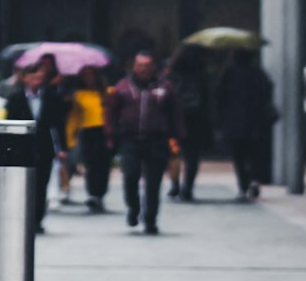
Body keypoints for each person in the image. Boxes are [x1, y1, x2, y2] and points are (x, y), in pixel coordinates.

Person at [106, 50, 183, 234]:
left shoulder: (165, 87)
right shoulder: (122, 87)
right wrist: (111, 135)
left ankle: (150, 219)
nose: (143, 69)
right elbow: (111, 113)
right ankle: (133, 208)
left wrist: (177, 136)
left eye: (147, 66)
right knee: (130, 177)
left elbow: (176, 113)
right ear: (134, 66)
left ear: (153, 67)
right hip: (130, 141)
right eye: (139, 65)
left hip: (157, 140)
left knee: (153, 183)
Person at [5, 63, 67, 232]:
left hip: (44, 147)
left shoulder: (51, 97)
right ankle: (22, 218)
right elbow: (10, 123)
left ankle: (37, 219)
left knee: (41, 185)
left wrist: (62, 148)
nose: (36, 81)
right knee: (22, 185)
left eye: (39, 78)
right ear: (25, 78)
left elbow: (58, 124)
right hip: (22, 148)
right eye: (32, 78)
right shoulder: (15, 98)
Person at [217, 49, 276, 201]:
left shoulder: (229, 74)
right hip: (255, 122)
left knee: (239, 157)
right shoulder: (258, 73)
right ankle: (254, 179)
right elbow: (268, 91)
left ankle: (243, 187)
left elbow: (219, 97)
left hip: (234, 122)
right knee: (254, 154)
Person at [166, 44, 212, 201]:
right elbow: (207, 101)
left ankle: (175, 184)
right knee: (192, 156)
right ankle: (188, 188)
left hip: (173, 121)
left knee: (174, 154)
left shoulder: (170, 75)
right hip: (195, 121)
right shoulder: (202, 76)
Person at [66, 65, 110, 211]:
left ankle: (100, 193)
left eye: (91, 74)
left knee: (103, 164)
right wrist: (70, 136)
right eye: (85, 75)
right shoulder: (78, 95)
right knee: (90, 163)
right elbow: (74, 117)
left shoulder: (107, 92)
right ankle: (93, 194)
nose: (89, 78)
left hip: (104, 130)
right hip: (88, 131)